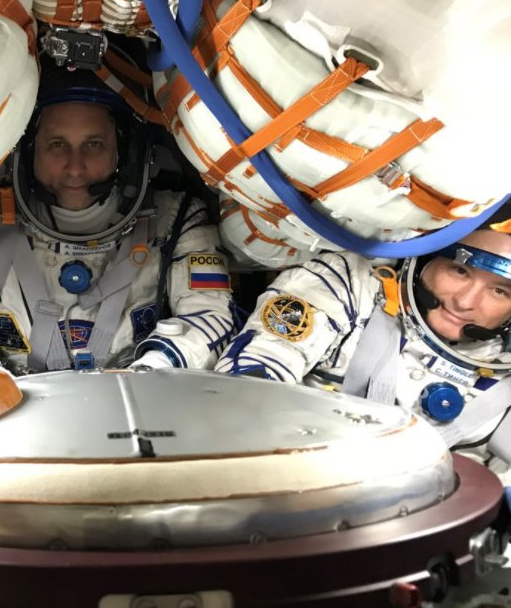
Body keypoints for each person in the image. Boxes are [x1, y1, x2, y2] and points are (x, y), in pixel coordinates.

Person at [0, 57, 240, 374]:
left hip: (144, 397)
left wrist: (154, 368)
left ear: (123, 151)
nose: (74, 167)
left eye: (93, 144)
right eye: (57, 144)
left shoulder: (176, 220)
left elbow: (207, 317)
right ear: (28, 150)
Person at [215, 203, 511, 474]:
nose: (465, 302)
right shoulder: (346, 288)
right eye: (459, 270)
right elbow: (251, 382)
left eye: (499, 291)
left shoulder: (502, 381)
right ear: (426, 259)